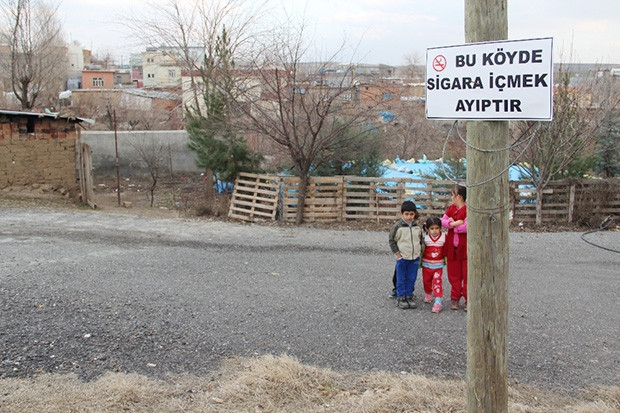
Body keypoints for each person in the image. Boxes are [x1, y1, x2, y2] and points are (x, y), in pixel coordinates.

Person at [388, 200, 424, 309]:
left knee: (411, 277)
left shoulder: (417, 227)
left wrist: (420, 251)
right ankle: (401, 297)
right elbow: (392, 240)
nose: (409, 217)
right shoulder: (398, 227)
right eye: (406, 214)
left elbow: (421, 240)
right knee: (401, 277)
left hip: (414, 258)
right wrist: (397, 254)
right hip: (403, 258)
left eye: (411, 214)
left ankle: (409, 295)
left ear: (415, 214)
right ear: (401, 214)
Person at [442, 184, 468, 311]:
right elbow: (443, 221)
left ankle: (468, 298)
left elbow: (467, 226)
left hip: (465, 248)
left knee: (467, 274)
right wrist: (455, 223)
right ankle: (455, 297)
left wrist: (453, 225)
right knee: (454, 274)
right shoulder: (451, 209)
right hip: (452, 247)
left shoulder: (468, 209)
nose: (452, 197)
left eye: (453, 195)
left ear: (459, 196)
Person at [421, 217, 446, 313]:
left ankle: (438, 301)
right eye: (432, 228)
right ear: (427, 229)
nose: (435, 231)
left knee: (437, 283)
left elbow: (447, 249)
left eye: (437, 228)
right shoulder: (425, 238)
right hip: (426, 264)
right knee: (426, 281)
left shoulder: (444, 237)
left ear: (440, 228)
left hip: (438, 266)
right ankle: (428, 293)